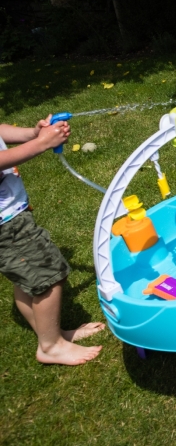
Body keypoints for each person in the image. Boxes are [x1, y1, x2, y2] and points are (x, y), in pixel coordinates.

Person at [0, 115, 104, 365]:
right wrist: (41, 144)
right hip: (6, 225)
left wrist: (32, 133)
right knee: (49, 274)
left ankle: (54, 335)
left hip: (10, 215)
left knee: (27, 278)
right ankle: (51, 347)